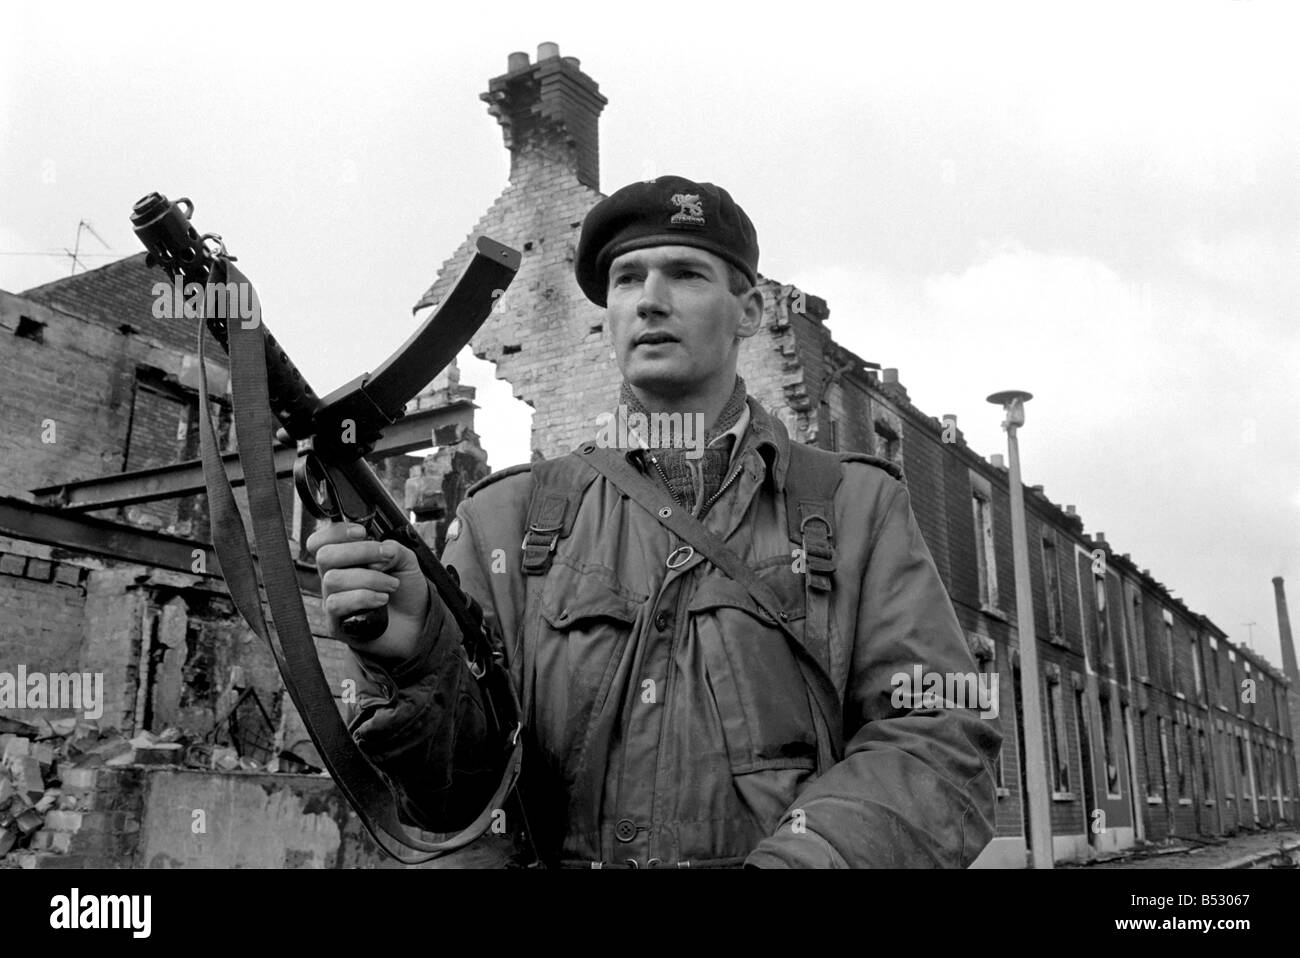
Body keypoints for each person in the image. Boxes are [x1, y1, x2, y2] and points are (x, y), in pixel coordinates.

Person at [307, 175, 1002, 868]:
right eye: (627, 279)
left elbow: (939, 736)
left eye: (686, 274)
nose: (650, 300)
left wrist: (807, 859)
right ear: (606, 316)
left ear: (750, 311)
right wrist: (416, 661)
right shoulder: (505, 520)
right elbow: (460, 805)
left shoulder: (855, 509)